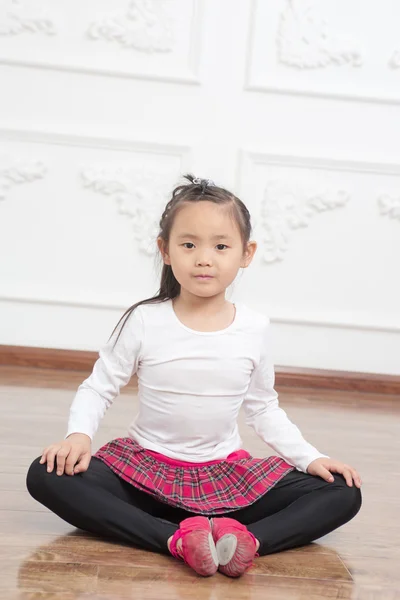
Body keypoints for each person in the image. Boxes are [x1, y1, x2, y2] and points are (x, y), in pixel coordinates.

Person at [26, 174, 362, 578]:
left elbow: (263, 408)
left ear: (246, 253)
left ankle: (244, 541)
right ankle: (177, 539)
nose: (204, 258)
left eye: (221, 246)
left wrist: (311, 458)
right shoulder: (145, 320)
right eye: (189, 245)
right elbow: (99, 386)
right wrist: (77, 435)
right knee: (46, 475)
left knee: (343, 492)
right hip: (144, 474)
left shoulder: (253, 328)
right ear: (165, 251)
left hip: (224, 479)